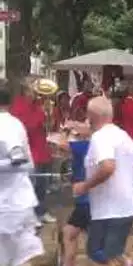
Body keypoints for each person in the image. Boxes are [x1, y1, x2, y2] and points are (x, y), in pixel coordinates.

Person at [72, 96, 133, 266]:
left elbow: (108, 167)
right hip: (126, 207)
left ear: (91, 116)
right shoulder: (123, 136)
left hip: (110, 210)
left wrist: (85, 186)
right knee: (109, 253)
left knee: (98, 252)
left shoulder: (100, 137)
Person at [0, 81, 45, 266]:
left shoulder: (6, 125)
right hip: (14, 204)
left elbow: (19, 161)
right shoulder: (14, 123)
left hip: (9, 207)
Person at [10, 76, 56, 224]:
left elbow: (47, 127)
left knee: (43, 186)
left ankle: (41, 212)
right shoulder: (18, 105)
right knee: (31, 186)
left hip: (42, 151)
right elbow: (25, 127)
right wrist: (40, 115)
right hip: (31, 153)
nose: (36, 90)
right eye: (33, 86)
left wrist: (49, 115)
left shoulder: (40, 104)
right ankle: (30, 216)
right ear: (25, 89)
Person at [61, 135, 92, 266]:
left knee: (98, 247)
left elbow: (60, 143)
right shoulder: (95, 146)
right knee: (69, 232)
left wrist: (67, 130)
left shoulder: (83, 146)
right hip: (86, 202)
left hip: (86, 202)